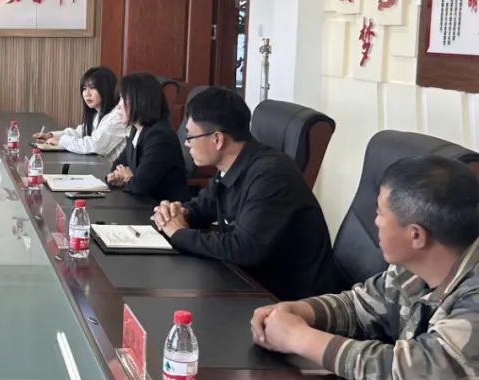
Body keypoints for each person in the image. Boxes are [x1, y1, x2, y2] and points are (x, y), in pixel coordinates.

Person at [251, 156, 479, 380]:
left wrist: (299, 337)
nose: (375, 222)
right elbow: (359, 306)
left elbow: (412, 373)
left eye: (381, 213)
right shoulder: (412, 267)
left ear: (416, 235)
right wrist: (295, 311)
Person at [151, 87, 342, 300]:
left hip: (292, 299)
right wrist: (177, 213)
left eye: (190, 136)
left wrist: (179, 233)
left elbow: (244, 248)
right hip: (251, 281)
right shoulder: (231, 166)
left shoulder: (271, 175)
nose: (187, 144)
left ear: (217, 139)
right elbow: (203, 207)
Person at [106, 73, 188, 203]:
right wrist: (120, 176)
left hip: (164, 209)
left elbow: (139, 186)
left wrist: (128, 177)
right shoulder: (136, 130)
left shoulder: (160, 137)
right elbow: (117, 166)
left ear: (141, 101)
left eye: (123, 99)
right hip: (143, 205)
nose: (119, 106)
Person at [33, 66, 128, 163]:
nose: (87, 94)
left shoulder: (118, 116)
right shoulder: (99, 113)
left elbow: (95, 146)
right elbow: (81, 132)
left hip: (110, 169)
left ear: (106, 89)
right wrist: (52, 135)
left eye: (92, 88)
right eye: (84, 88)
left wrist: (61, 141)